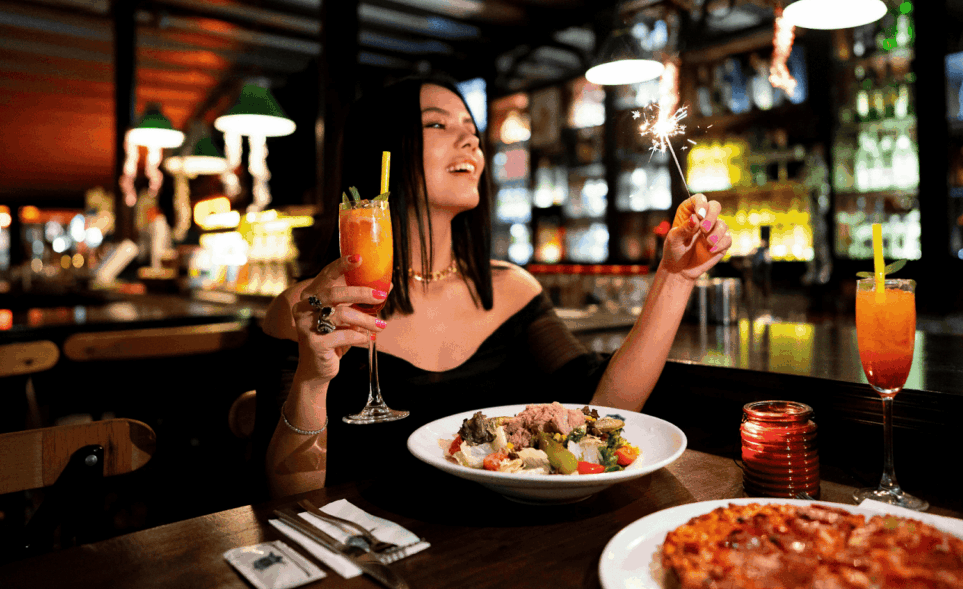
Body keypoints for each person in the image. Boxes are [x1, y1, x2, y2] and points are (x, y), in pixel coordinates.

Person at [256, 76, 732, 498]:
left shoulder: (512, 289)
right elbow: (287, 494)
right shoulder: (312, 308)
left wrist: (676, 277)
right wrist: (312, 382)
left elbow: (601, 412)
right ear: (384, 148)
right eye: (438, 125)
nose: (471, 139)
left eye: (472, 127)